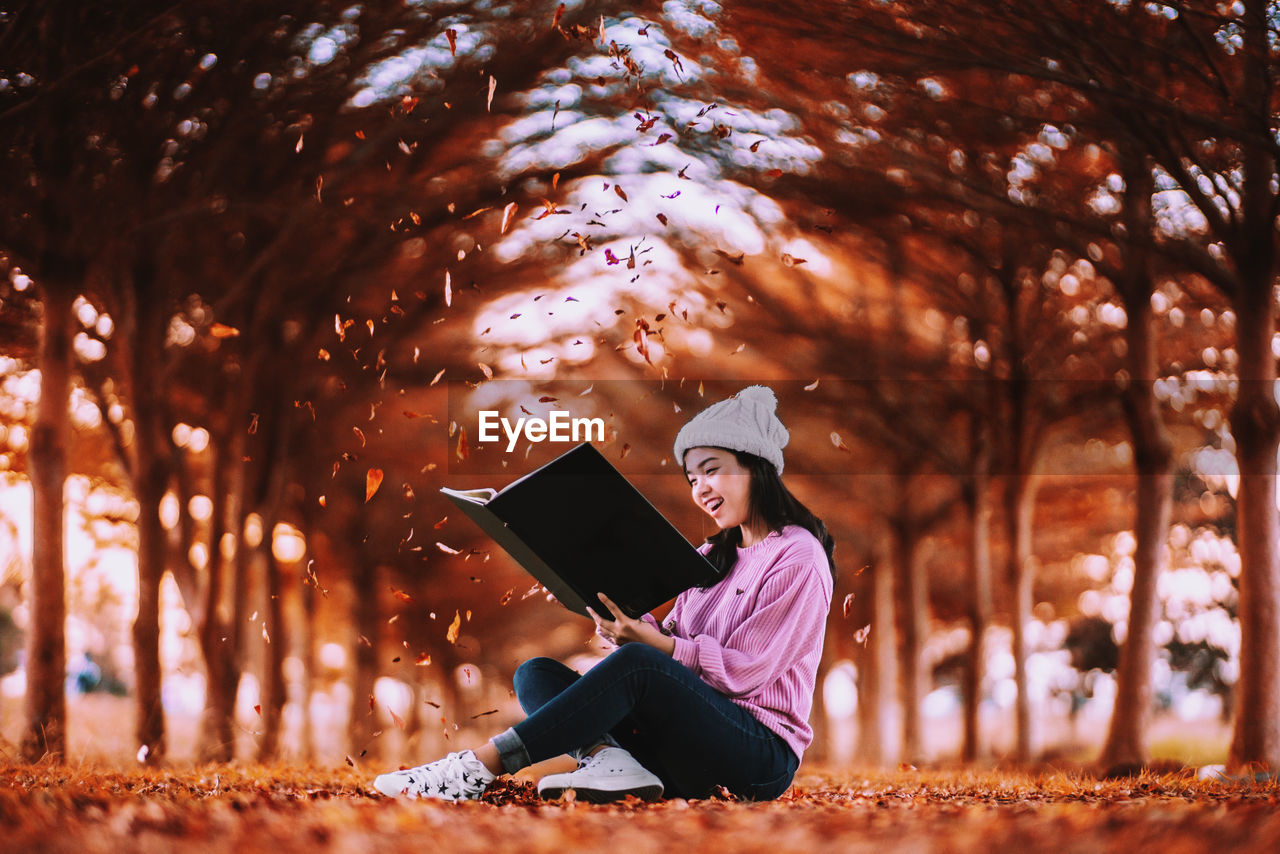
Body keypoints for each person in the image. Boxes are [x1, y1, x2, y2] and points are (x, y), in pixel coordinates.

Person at [374, 385, 835, 803]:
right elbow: (671, 644)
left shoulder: (797, 556)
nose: (700, 490)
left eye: (710, 471)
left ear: (755, 466)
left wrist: (654, 647)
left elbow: (746, 672)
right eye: (692, 479)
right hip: (685, 748)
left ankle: (477, 768)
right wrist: (620, 618)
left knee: (640, 665)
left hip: (756, 757)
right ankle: (615, 762)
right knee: (536, 674)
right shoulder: (714, 555)